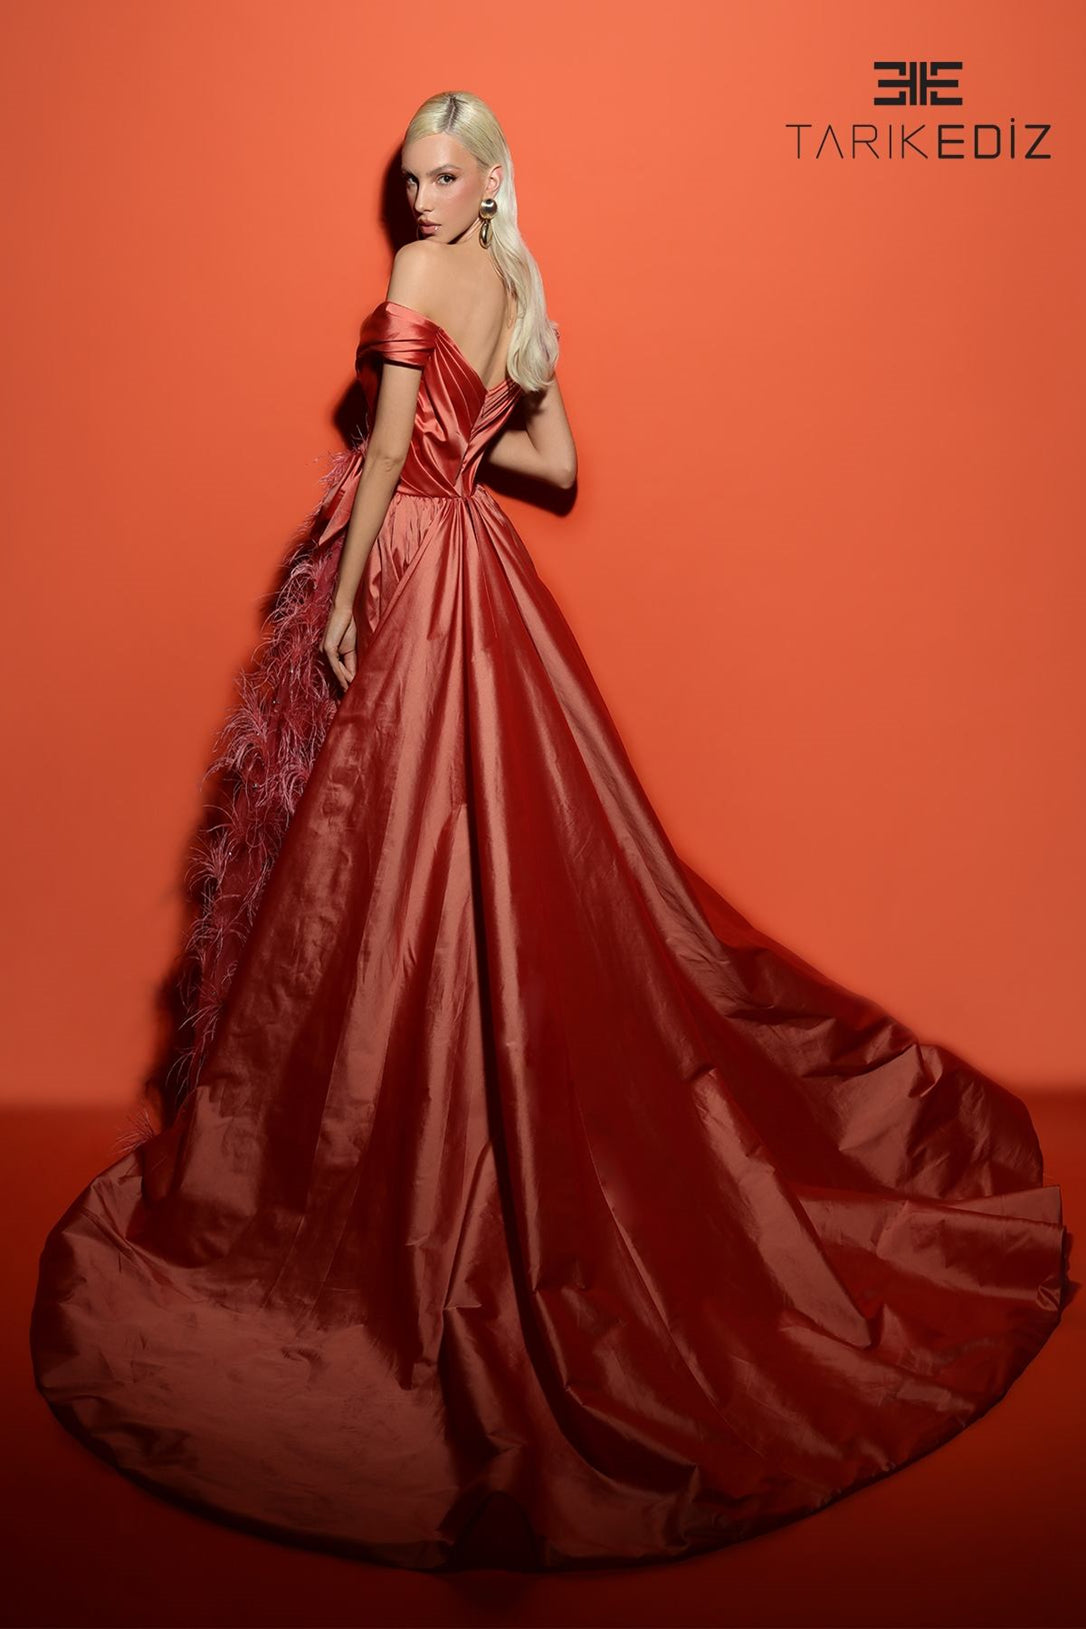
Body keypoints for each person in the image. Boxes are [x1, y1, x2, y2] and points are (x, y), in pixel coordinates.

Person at [29, 89, 1072, 1576]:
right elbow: (556, 468)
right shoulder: (518, 287)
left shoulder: (416, 276)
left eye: (442, 176)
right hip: (489, 576)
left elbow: (386, 453)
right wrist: (469, 454)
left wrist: (341, 597)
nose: (417, 199)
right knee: (490, 865)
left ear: (487, 180)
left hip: (410, 574)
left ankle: (385, 1160)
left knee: (386, 866)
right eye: (407, 177)